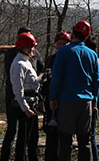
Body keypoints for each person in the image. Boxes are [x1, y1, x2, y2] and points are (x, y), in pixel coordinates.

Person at [48, 20, 99, 161]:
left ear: (73, 33)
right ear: (86, 36)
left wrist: (53, 97)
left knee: (65, 142)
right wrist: (94, 101)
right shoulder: (92, 54)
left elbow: (57, 77)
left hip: (67, 101)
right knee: (85, 142)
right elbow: (96, 81)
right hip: (86, 102)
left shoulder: (64, 51)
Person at [1, 27, 44, 161]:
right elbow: (18, 89)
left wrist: (44, 77)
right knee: (21, 137)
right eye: (31, 47)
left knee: (28, 137)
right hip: (23, 104)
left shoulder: (26, 61)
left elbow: (32, 81)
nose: (33, 50)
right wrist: (25, 108)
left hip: (30, 101)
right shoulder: (19, 63)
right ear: (24, 47)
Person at [42, 31, 71, 161]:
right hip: (52, 100)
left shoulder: (71, 59)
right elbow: (45, 80)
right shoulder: (51, 59)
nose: (61, 46)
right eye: (59, 43)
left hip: (66, 100)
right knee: (51, 132)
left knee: (64, 133)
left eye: (64, 44)